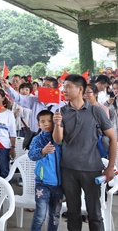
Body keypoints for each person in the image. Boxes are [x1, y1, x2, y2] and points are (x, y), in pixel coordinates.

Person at [53, 74, 117, 231]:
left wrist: (110, 167)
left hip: (92, 169)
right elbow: (58, 140)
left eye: (68, 87)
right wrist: (57, 124)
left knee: (94, 213)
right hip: (68, 169)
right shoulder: (61, 111)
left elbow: (113, 139)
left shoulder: (96, 111)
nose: (64, 90)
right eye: (63, 87)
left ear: (80, 89)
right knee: (73, 213)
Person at [28, 110, 62, 231]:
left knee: (55, 215)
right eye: (43, 121)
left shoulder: (59, 138)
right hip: (42, 184)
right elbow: (31, 155)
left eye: (49, 121)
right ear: (38, 124)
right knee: (40, 216)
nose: (46, 123)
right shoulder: (37, 139)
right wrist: (42, 151)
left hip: (59, 185)